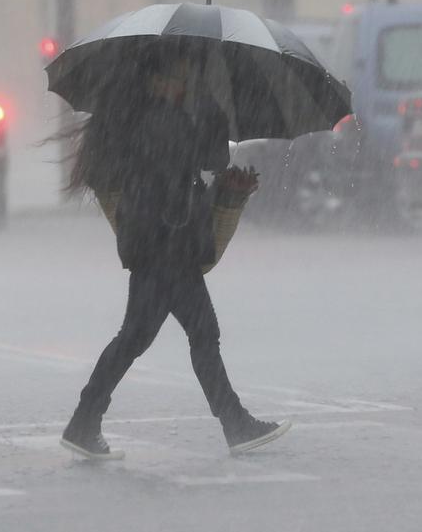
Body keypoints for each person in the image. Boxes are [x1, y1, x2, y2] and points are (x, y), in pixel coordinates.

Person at [60, 42, 291, 459]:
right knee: (193, 335)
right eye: (180, 77)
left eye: (187, 77)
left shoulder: (147, 119)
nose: (184, 84)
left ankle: (85, 420)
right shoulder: (162, 121)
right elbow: (208, 155)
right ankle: (234, 423)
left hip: (158, 244)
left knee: (141, 338)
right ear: (157, 81)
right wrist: (205, 107)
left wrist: (201, 105)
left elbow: (199, 162)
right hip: (166, 246)